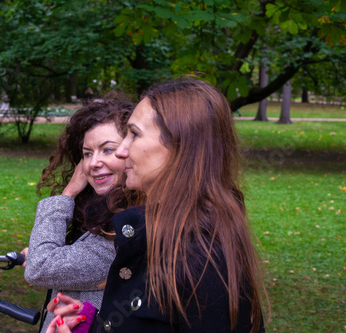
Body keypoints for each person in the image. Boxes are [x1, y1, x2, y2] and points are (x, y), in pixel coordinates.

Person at [44, 78, 267, 333]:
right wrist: (93, 325)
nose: (122, 150)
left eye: (134, 134)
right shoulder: (153, 235)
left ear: (179, 146)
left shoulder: (202, 259)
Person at [22, 94, 138, 333]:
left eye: (107, 150)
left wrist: (68, 193)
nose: (93, 162)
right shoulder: (111, 215)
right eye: (87, 153)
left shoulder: (123, 235)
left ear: (132, 152)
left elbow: (39, 267)